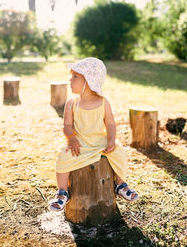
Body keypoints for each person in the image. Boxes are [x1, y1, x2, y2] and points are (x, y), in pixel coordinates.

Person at [49, 57, 139, 211]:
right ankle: (62, 192)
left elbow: (110, 123)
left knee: (119, 152)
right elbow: (67, 125)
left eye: (75, 77)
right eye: (71, 76)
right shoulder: (72, 103)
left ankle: (120, 184)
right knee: (63, 155)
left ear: (89, 81)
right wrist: (71, 139)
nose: (70, 80)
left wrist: (111, 140)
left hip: (100, 143)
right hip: (80, 144)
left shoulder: (103, 103)